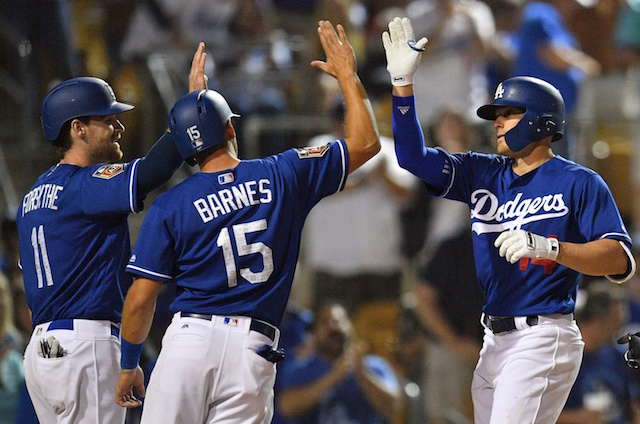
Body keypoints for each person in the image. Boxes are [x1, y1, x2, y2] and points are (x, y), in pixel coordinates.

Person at [114, 20, 380, 424]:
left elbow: (139, 300)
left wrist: (129, 363)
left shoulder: (170, 205)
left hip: (189, 342)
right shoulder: (283, 173)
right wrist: (347, 75)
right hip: (251, 350)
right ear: (231, 128)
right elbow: (365, 143)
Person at [382, 17, 636, 424]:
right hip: (493, 339)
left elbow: (620, 260)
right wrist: (401, 85)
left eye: (509, 113)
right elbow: (412, 157)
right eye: (496, 113)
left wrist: (552, 248)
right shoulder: (482, 173)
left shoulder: (578, 182)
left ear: (541, 120)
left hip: (543, 333)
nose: (497, 121)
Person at [16, 42, 209, 424]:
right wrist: (191, 110)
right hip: (84, 346)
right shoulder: (83, 184)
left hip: (41, 353)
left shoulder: (31, 197)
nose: (119, 126)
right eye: (107, 119)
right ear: (78, 128)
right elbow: (152, 171)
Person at [276, 301, 403, 424]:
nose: (333, 326)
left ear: (351, 327)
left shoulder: (375, 366)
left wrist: (361, 372)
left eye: (339, 321)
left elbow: (394, 409)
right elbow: (286, 408)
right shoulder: (301, 368)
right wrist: (333, 377)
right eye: (325, 322)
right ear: (313, 334)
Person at [558, 281, 640, 424]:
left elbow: (631, 405)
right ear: (597, 321)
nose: (618, 331)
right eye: (615, 323)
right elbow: (536, 412)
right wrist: (577, 418)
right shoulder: (563, 358)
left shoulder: (617, 356)